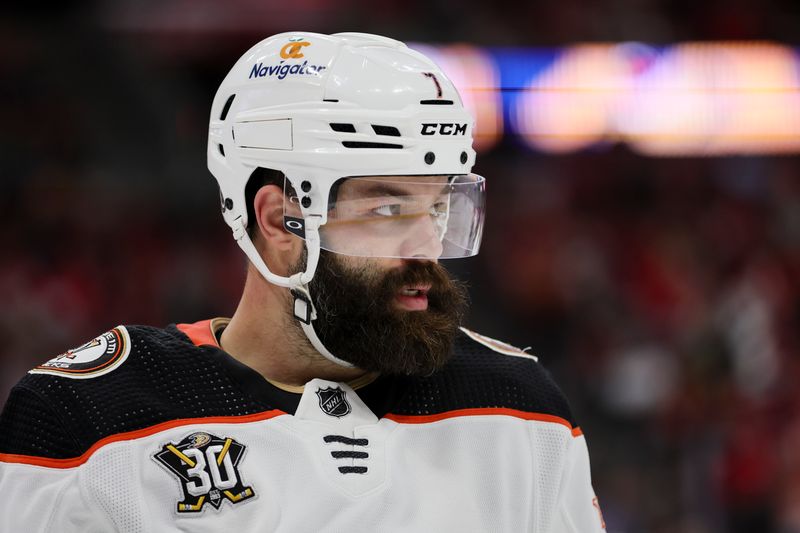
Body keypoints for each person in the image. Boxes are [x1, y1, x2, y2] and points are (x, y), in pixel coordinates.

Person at [0, 31, 605, 532]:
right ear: (277, 219)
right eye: (387, 210)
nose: (426, 248)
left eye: (439, 208)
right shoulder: (89, 421)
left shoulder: (521, 407)